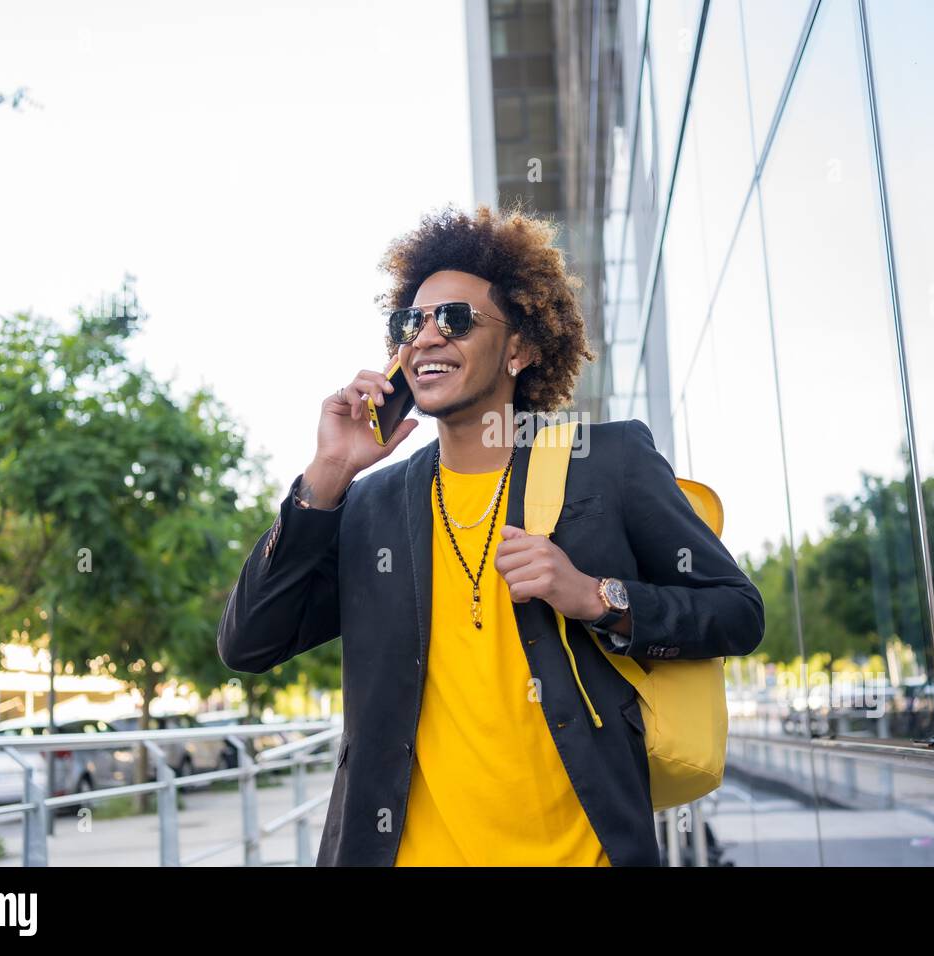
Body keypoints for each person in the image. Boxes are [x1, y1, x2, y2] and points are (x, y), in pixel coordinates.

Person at [216, 202, 765, 866]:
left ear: (520, 349)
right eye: (408, 323)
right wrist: (328, 473)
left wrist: (597, 597)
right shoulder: (369, 504)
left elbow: (737, 611)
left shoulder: (607, 463)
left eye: (454, 319)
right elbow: (248, 642)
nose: (425, 337)